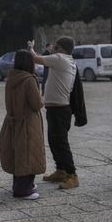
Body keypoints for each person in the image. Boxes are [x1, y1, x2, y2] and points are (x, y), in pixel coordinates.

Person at [29, 37, 79, 189]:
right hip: (57, 109)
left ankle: (72, 175)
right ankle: (61, 170)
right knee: (54, 141)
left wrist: (30, 46)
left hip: (59, 109)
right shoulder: (65, 59)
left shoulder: (60, 59)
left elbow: (35, 58)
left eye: (56, 46)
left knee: (61, 143)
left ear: (61, 49)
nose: (53, 48)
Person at [0, 50, 46, 199]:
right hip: (28, 122)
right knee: (28, 153)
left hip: (12, 120)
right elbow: (36, 104)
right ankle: (23, 190)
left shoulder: (11, 79)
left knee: (17, 153)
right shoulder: (29, 80)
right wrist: (43, 99)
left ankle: (18, 185)